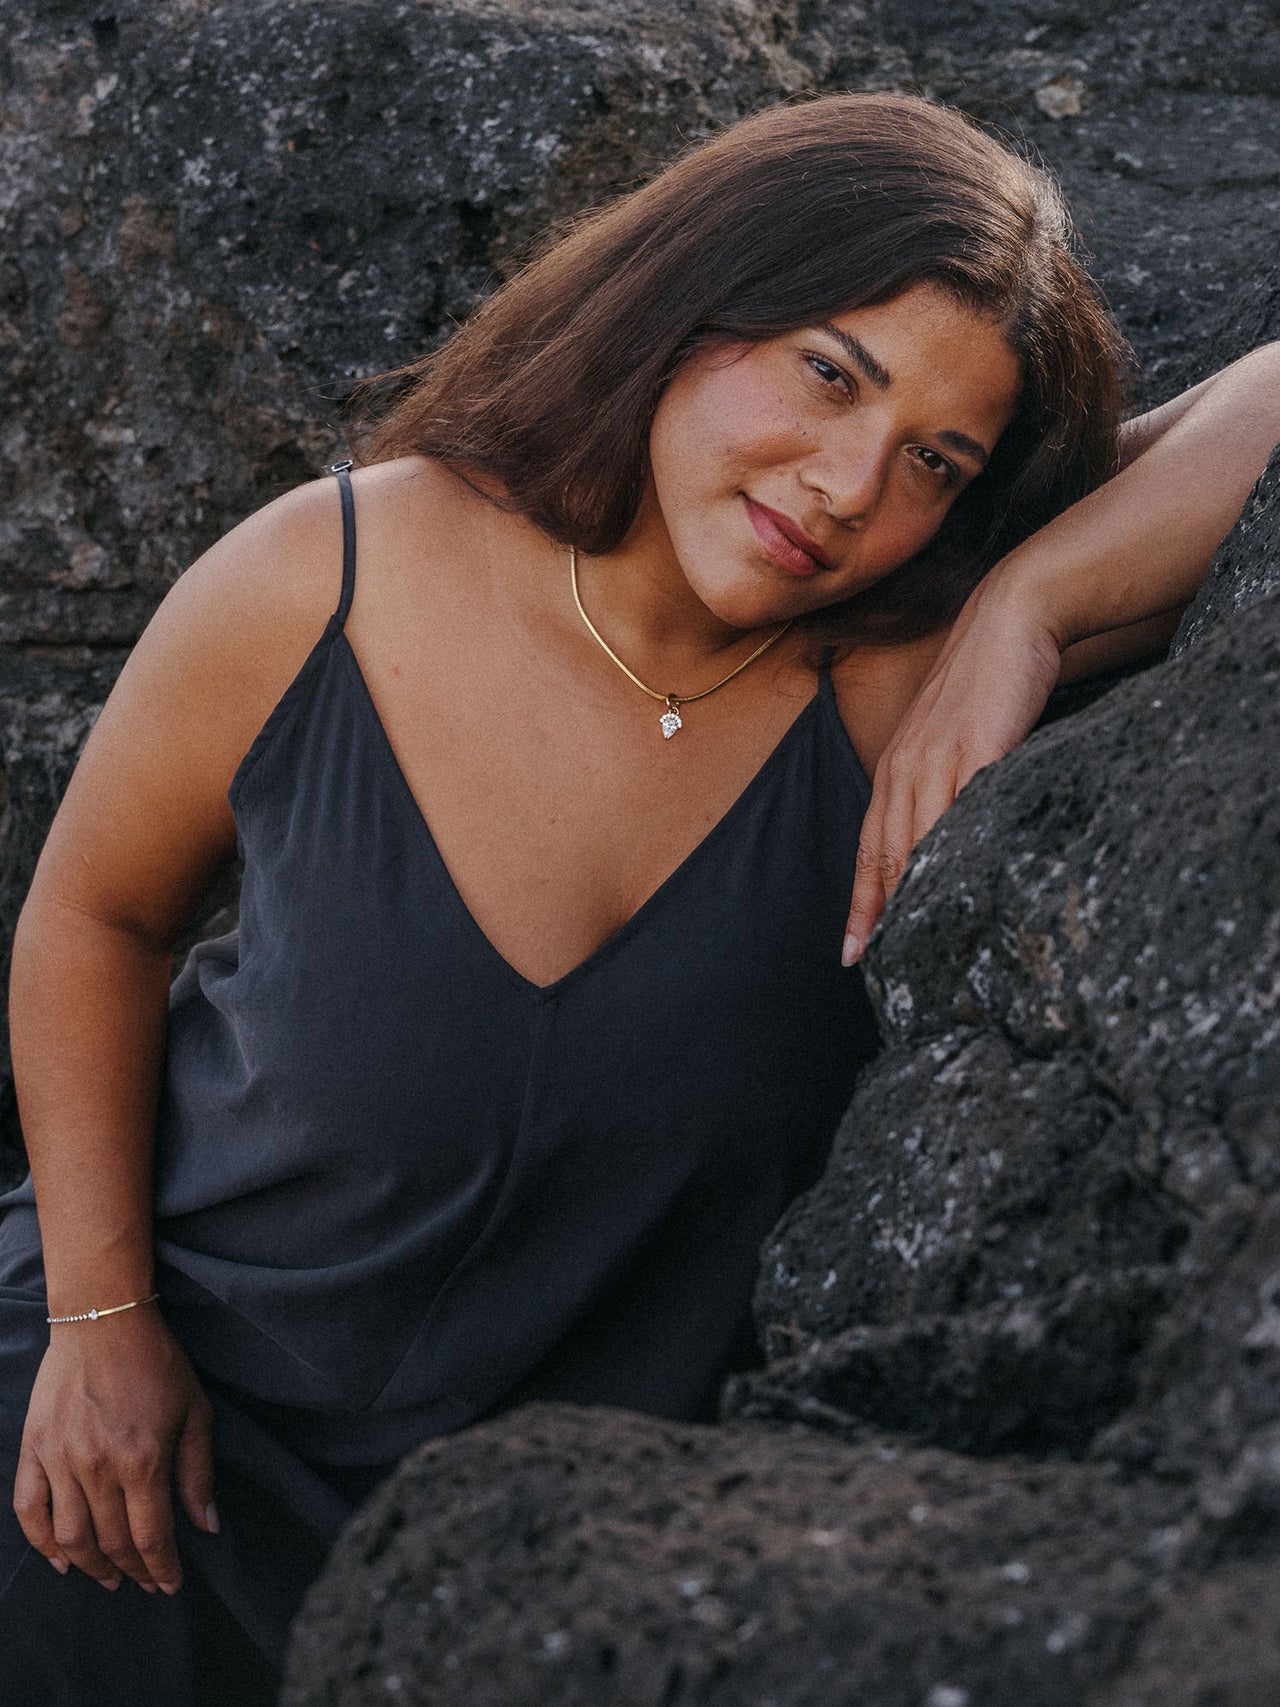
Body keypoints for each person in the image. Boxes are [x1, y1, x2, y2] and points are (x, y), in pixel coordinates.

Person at [1, 90, 1277, 1704]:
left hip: (530, 1578)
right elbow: (94, 921)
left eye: (934, 461)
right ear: (688, 306)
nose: (847, 485)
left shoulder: (898, 684)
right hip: (125, 1462)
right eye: (829, 374)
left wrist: (1030, 600)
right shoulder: (323, 579)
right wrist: (99, 1322)